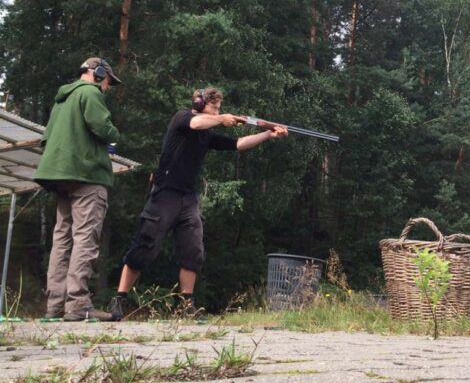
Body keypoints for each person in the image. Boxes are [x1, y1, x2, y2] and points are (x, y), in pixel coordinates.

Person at [108, 87, 287, 320]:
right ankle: (119, 299)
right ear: (200, 103)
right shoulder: (183, 117)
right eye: (214, 107)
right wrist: (220, 119)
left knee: (193, 249)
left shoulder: (207, 133)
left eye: (220, 109)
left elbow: (238, 144)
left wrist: (267, 135)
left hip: (188, 198)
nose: (218, 111)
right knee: (145, 244)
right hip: (165, 193)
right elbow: (196, 124)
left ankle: (185, 306)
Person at [34, 57, 122, 321]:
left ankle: (55, 306)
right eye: (108, 81)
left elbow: (46, 138)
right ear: (97, 74)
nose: (108, 87)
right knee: (85, 237)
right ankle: (79, 305)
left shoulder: (61, 101)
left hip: (58, 175)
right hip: (86, 175)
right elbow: (103, 128)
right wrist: (115, 136)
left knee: (62, 239)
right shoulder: (90, 93)